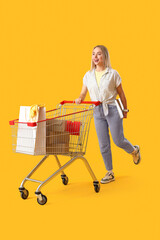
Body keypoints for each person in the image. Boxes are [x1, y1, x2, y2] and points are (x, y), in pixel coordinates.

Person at [75, 45, 141, 184]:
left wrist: (125, 110)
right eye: (93, 54)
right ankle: (109, 172)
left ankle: (134, 150)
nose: (95, 57)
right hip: (97, 111)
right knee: (103, 144)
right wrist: (80, 98)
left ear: (105, 56)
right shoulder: (88, 75)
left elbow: (121, 93)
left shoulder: (113, 74)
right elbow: (83, 92)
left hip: (112, 109)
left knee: (118, 140)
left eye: (99, 54)